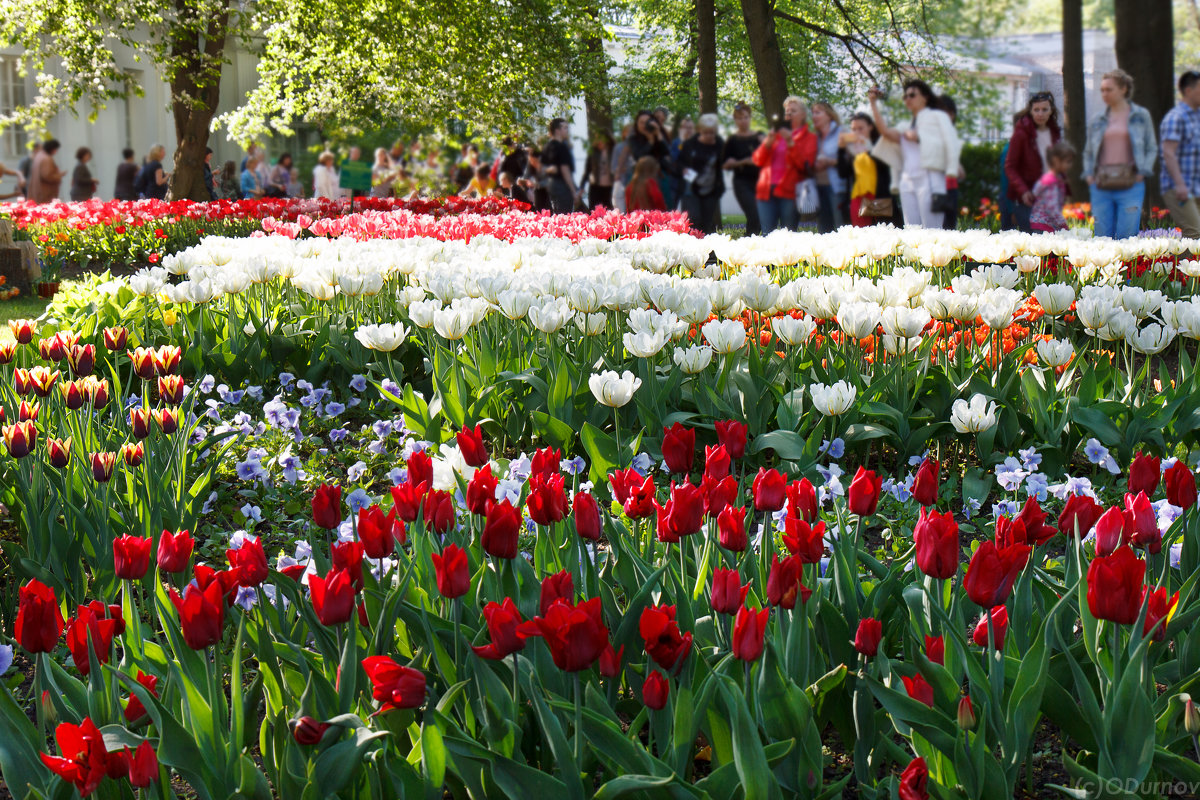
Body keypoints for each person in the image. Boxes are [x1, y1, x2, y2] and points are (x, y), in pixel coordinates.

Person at [868, 80, 958, 229]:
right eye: (906, 96)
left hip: (930, 179)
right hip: (908, 180)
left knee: (933, 231)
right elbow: (885, 132)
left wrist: (919, 136)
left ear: (925, 97)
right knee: (911, 230)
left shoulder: (937, 117)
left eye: (912, 95)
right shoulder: (905, 125)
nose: (907, 99)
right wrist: (873, 103)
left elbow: (947, 142)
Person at [1082, 68, 1157, 239]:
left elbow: (1151, 147)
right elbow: (1088, 152)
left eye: (1109, 89)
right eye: (1102, 90)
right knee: (1102, 239)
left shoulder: (1140, 116)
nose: (1104, 94)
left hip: (1131, 184)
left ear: (1123, 89)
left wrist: (1142, 172)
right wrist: (1089, 176)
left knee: (1127, 238)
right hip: (1101, 184)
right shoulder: (1097, 119)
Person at [752, 96, 817, 233]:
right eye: (787, 112)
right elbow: (757, 160)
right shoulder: (775, 135)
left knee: (788, 234)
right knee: (767, 234)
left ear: (803, 115)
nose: (789, 115)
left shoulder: (810, 138)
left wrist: (790, 142)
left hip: (790, 192)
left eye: (793, 111)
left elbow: (805, 165)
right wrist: (767, 144)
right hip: (766, 190)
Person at [1005, 92, 1062, 232]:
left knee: (1052, 245)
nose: (1040, 114)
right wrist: (1023, 191)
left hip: (1050, 198)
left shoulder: (1055, 133)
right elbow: (1010, 166)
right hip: (1029, 198)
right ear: (1030, 111)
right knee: (1035, 244)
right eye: (1036, 110)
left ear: (1051, 111)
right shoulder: (1021, 134)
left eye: (1044, 109)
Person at [838, 112, 897, 227]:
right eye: (853, 129)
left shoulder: (879, 144)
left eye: (860, 128)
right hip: (857, 197)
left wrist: (868, 148)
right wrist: (840, 150)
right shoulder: (854, 150)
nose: (857, 133)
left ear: (870, 127)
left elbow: (884, 165)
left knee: (882, 232)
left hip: (878, 197)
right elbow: (843, 173)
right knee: (861, 235)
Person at [1160, 71, 1200, 238]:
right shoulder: (1175, 117)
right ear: (1188, 91)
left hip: (1196, 185)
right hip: (1179, 187)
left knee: (1192, 237)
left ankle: (1183, 263)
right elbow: (1168, 153)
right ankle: (1187, 265)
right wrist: (1180, 185)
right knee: (1194, 233)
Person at [677, 113, 725, 233]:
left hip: (711, 189)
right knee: (694, 219)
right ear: (700, 130)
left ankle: (707, 248)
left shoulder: (720, 144)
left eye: (712, 132)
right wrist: (683, 169)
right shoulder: (690, 144)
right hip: (691, 188)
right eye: (706, 132)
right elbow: (679, 163)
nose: (709, 135)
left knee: (707, 221)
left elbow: (725, 161)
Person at [723, 102, 763, 235]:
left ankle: (756, 243)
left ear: (750, 118)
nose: (743, 121)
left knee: (761, 216)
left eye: (746, 117)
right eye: (740, 118)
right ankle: (748, 243)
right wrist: (742, 162)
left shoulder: (759, 137)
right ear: (735, 120)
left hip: (760, 182)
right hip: (742, 182)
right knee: (754, 213)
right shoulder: (732, 140)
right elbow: (725, 164)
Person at [811, 102, 846, 232]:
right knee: (823, 230)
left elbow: (851, 161)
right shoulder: (815, 137)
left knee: (841, 228)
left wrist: (829, 162)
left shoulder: (841, 133)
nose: (814, 116)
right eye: (813, 113)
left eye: (818, 112)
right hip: (818, 188)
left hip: (836, 188)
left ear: (829, 115)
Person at [1030, 141, 1075, 232]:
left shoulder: (1052, 179)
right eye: (1068, 162)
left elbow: (1035, 192)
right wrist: (1064, 225)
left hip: (1041, 223)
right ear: (1056, 160)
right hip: (1044, 225)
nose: (1071, 165)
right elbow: (1052, 208)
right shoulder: (1051, 183)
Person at [937, 95, 965, 229]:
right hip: (937, 187)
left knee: (949, 227)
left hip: (951, 186)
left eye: (950, 113)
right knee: (938, 228)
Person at [541, 118, 578, 213]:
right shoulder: (562, 147)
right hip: (563, 186)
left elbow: (541, 168)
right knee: (565, 217)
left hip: (552, 186)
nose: (567, 130)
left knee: (557, 215)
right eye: (565, 128)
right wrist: (573, 190)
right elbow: (565, 170)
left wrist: (550, 170)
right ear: (557, 131)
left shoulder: (547, 147)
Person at [583, 132, 614, 210]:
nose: (599, 142)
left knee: (609, 210)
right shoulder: (593, 153)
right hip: (595, 188)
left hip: (609, 188)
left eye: (602, 140)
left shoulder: (613, 152)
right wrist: (581, 187)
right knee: (594, 211)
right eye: (598, 140)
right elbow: (587, 171)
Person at [29, 139, 66, 203]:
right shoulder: (46, 159)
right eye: (56, 149)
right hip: (45, 193)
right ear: (52, 149)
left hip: (38, 191)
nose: (56, 152)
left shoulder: (39, 156)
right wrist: (59, 176)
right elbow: (47, 176)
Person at [611, 124, 634, 213]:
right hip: (622, 182)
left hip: (635, 184)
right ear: (624, 133)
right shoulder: (618, 147)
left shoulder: (638, 147)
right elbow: (613, 167)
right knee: (620, 211)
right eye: (629, 132)